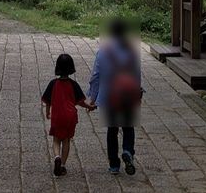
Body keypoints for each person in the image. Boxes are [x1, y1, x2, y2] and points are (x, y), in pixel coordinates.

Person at [88, 18, 142, 175]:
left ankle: (114, 164)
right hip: (127, 92)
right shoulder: (132, 51)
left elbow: (96, 76)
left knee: (112, 130)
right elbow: (137, 74)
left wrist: (92, 97)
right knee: (128, 127)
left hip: (110, 95)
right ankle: (127, 150)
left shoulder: (103, 52)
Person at [41, 53, 95, 177]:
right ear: (71, 68)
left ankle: (57, 157)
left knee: (56, 139)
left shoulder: (53, 84)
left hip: (57, 115)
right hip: (70, 116)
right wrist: (90, 107)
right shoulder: (73, 84)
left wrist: (48, 112)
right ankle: (63, 166)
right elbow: (81, 102)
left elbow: (47, 100)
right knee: (66, 140)